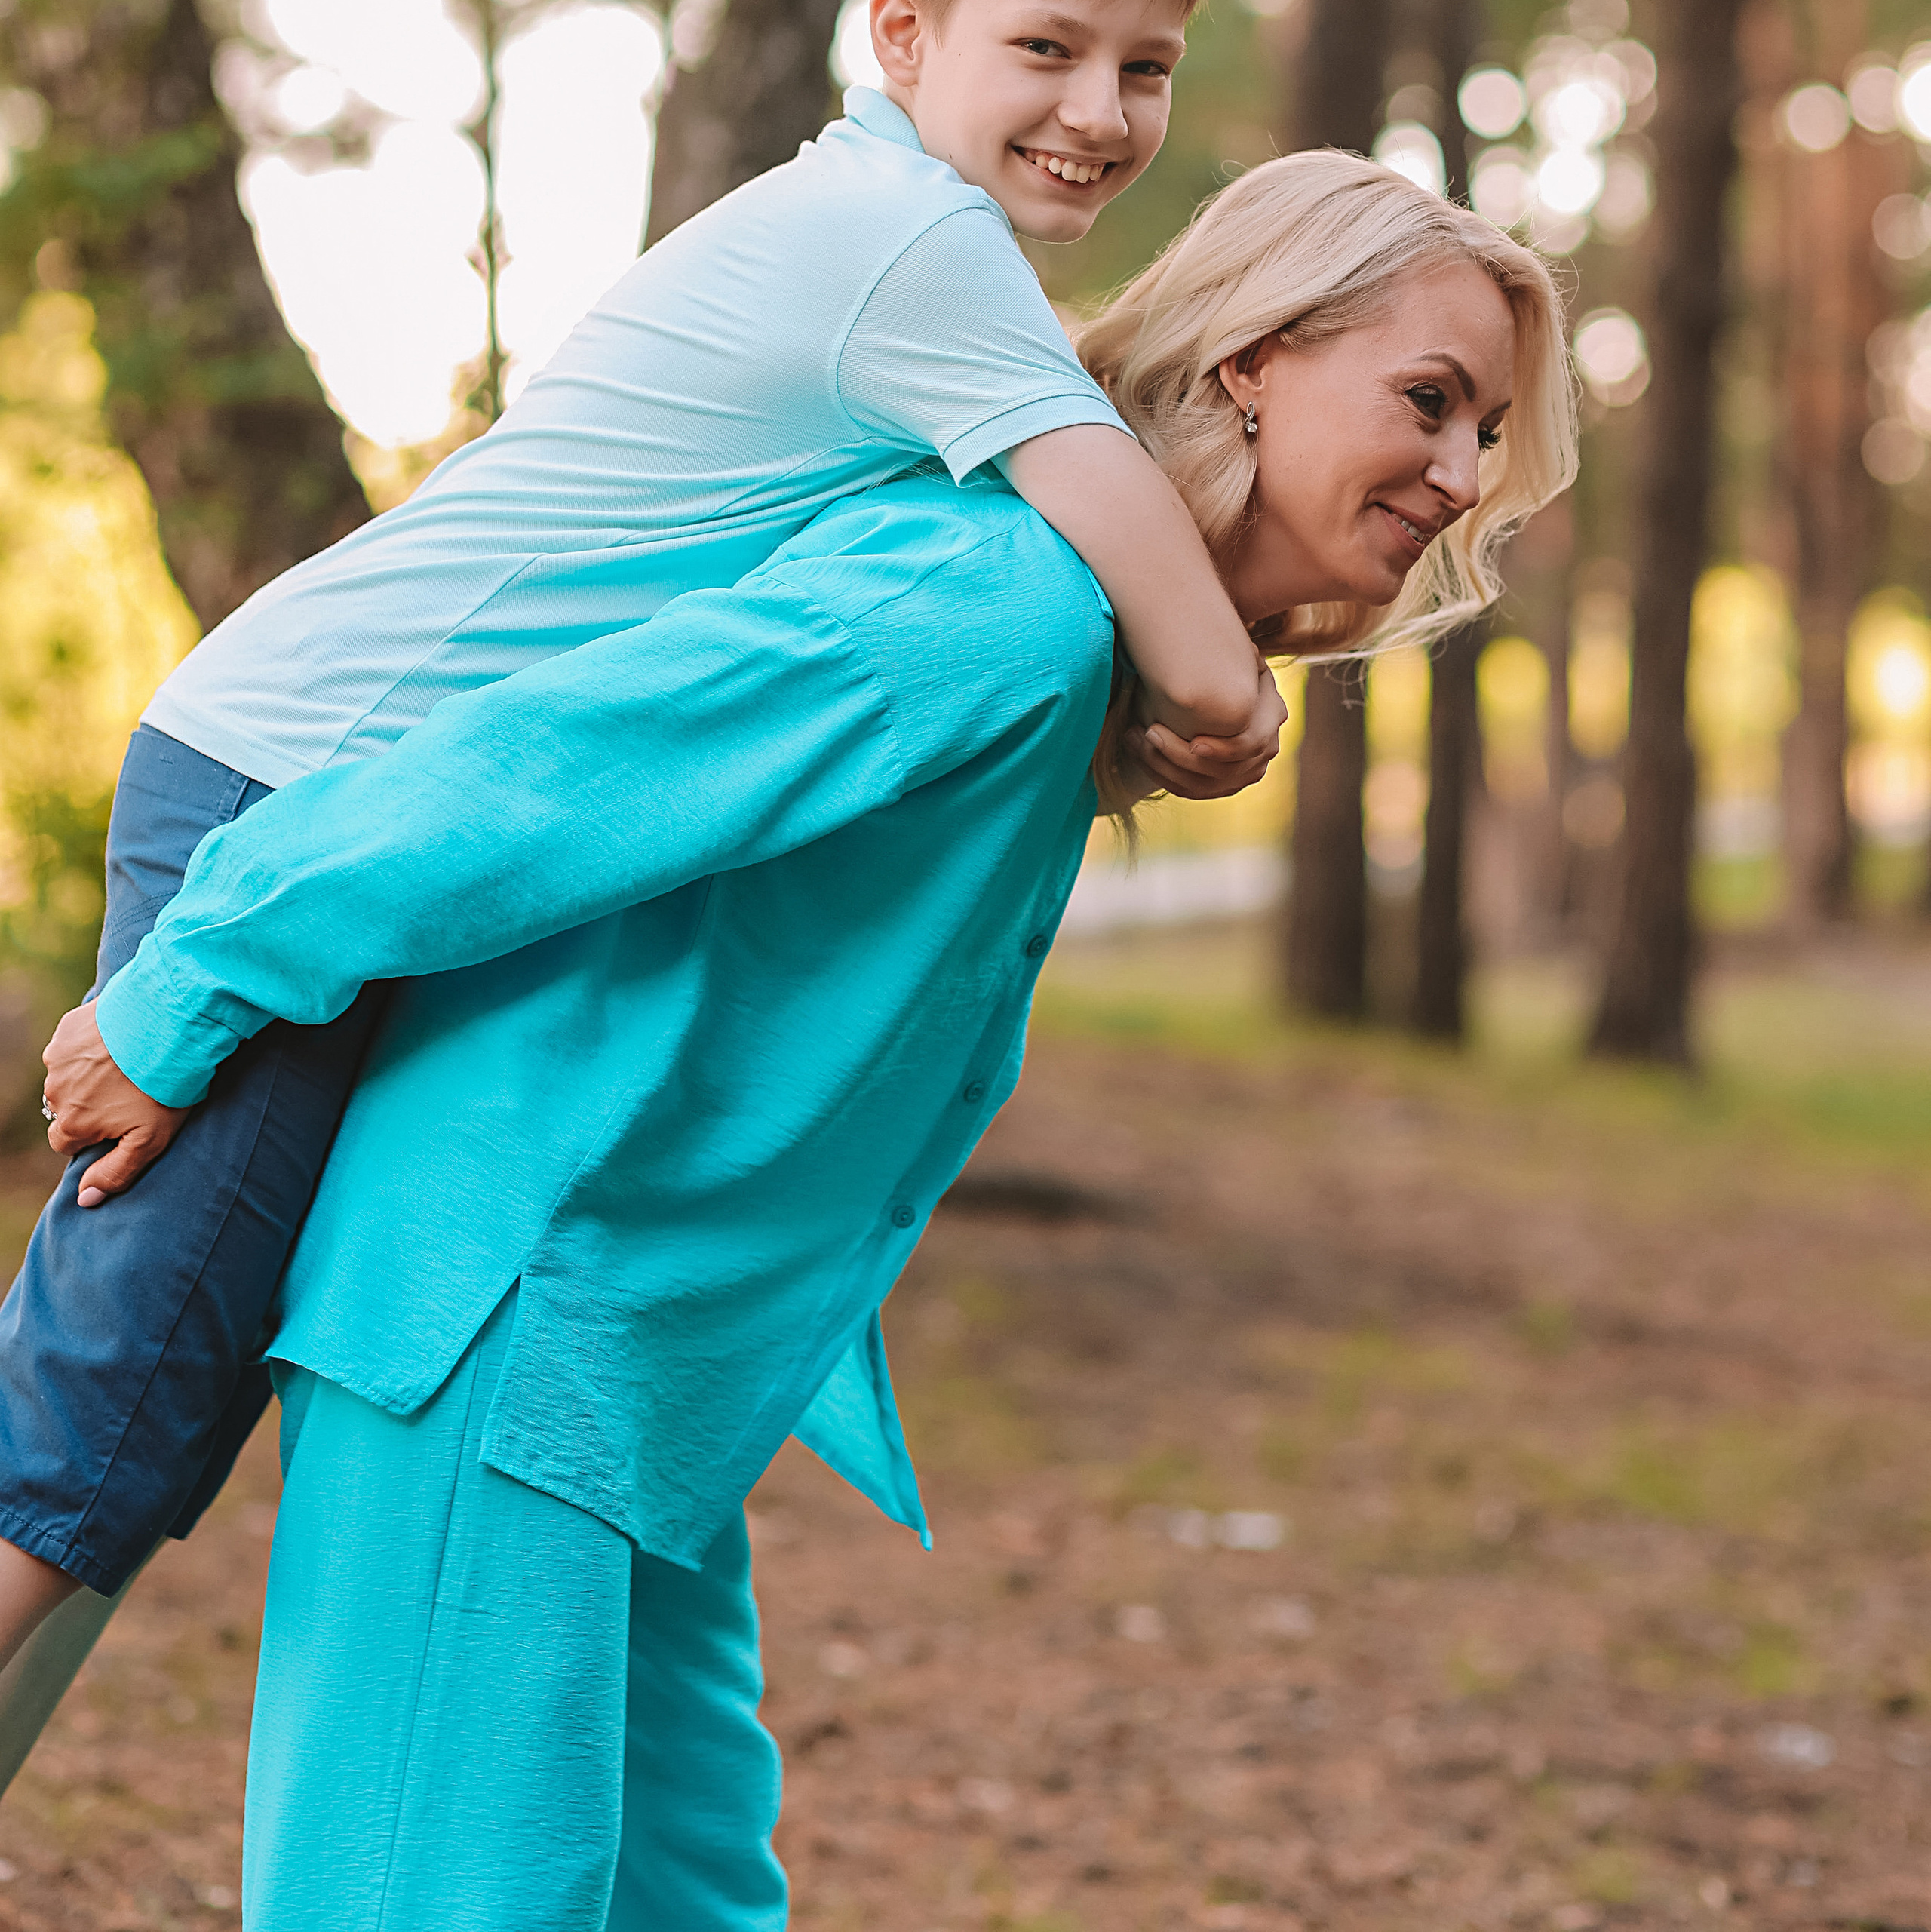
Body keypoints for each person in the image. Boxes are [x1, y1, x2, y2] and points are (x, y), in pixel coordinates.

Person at [44, 148, 1577, 1930]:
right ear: (1254, 358)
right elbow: (537, 772)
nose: (1459, 476)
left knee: (688, 1903)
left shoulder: (1092, 649)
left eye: (1484, 437)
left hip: (648, 1363)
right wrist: (190, 984)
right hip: (508, 1311)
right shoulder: (1003, 604)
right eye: (1429, 400)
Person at [0, 0, 1288, 1728]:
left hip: (312, 760)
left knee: (142, 1380)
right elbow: (1151, 576)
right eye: (1049, 47)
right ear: (904, 33)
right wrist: (1234, 704)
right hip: (299, 769)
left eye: (1148, 68)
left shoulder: (885, 231)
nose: (1100, 114)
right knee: (128, 1369)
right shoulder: (912, 254)